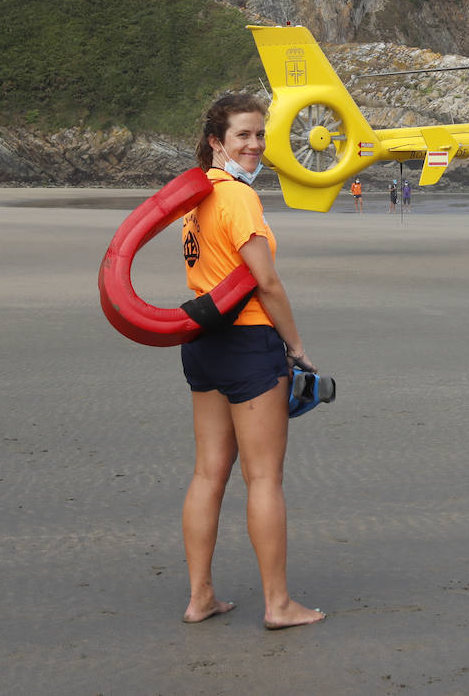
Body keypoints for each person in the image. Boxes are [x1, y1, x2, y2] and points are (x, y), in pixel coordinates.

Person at [178, 93, 325, 630]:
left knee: (207, 474)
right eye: (243, 135)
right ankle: (278, 604)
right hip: (246, 342)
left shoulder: (196, 197)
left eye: (260, 134)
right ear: (217, 141)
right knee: (264, 478)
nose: (255, 144)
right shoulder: (238, 199)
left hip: (202, 342)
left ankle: (200, 598)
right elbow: (266, 282)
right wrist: (297, 346)